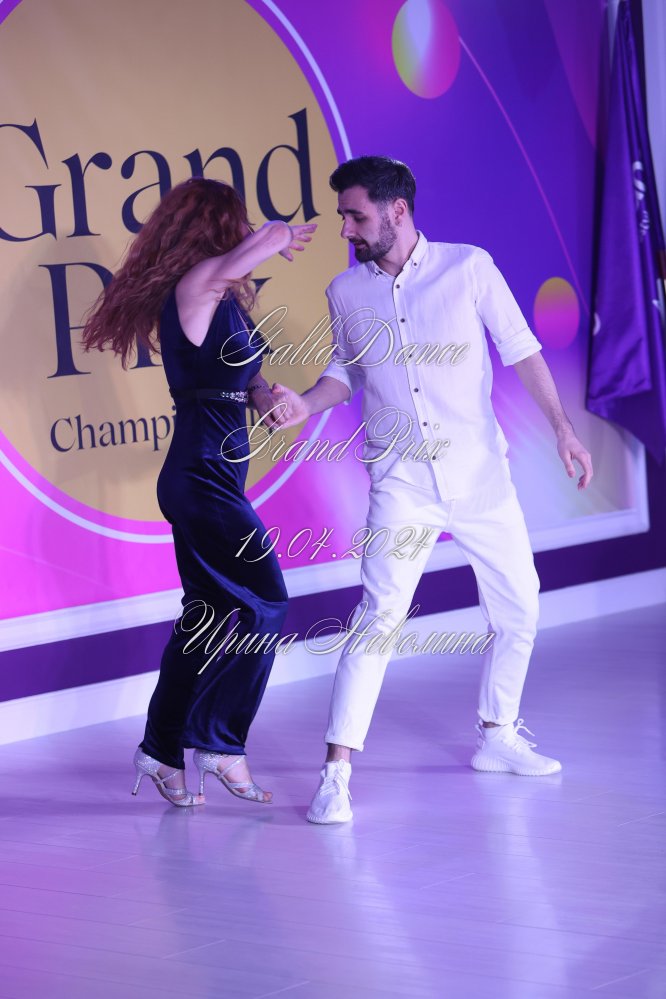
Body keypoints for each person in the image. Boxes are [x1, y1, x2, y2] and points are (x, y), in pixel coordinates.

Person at [261, 156, 592, 823]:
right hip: (402, 481)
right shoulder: (345, 291)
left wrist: (562, 429)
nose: (346, 229)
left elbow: (522, 347)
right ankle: (335, 776)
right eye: (343, 216)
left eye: (356, 215)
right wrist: (304, 403)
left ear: (398, 210)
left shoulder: (469, 268)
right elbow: (345, 373)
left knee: (519, 607)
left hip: (480, 475)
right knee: (378, 617)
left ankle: (498, 735)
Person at [81, 178, 316, 807]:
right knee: (267, 601)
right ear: (217, 225)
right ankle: (219, 742)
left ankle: (160, 750)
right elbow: (268, 239)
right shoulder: (198, 283)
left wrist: (264, 397)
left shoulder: (219, 299)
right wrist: (278, 233)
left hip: (209, 472)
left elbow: (237, 375)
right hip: (202, 473)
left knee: (207, 616)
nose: (248, 232)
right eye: (238, 222)